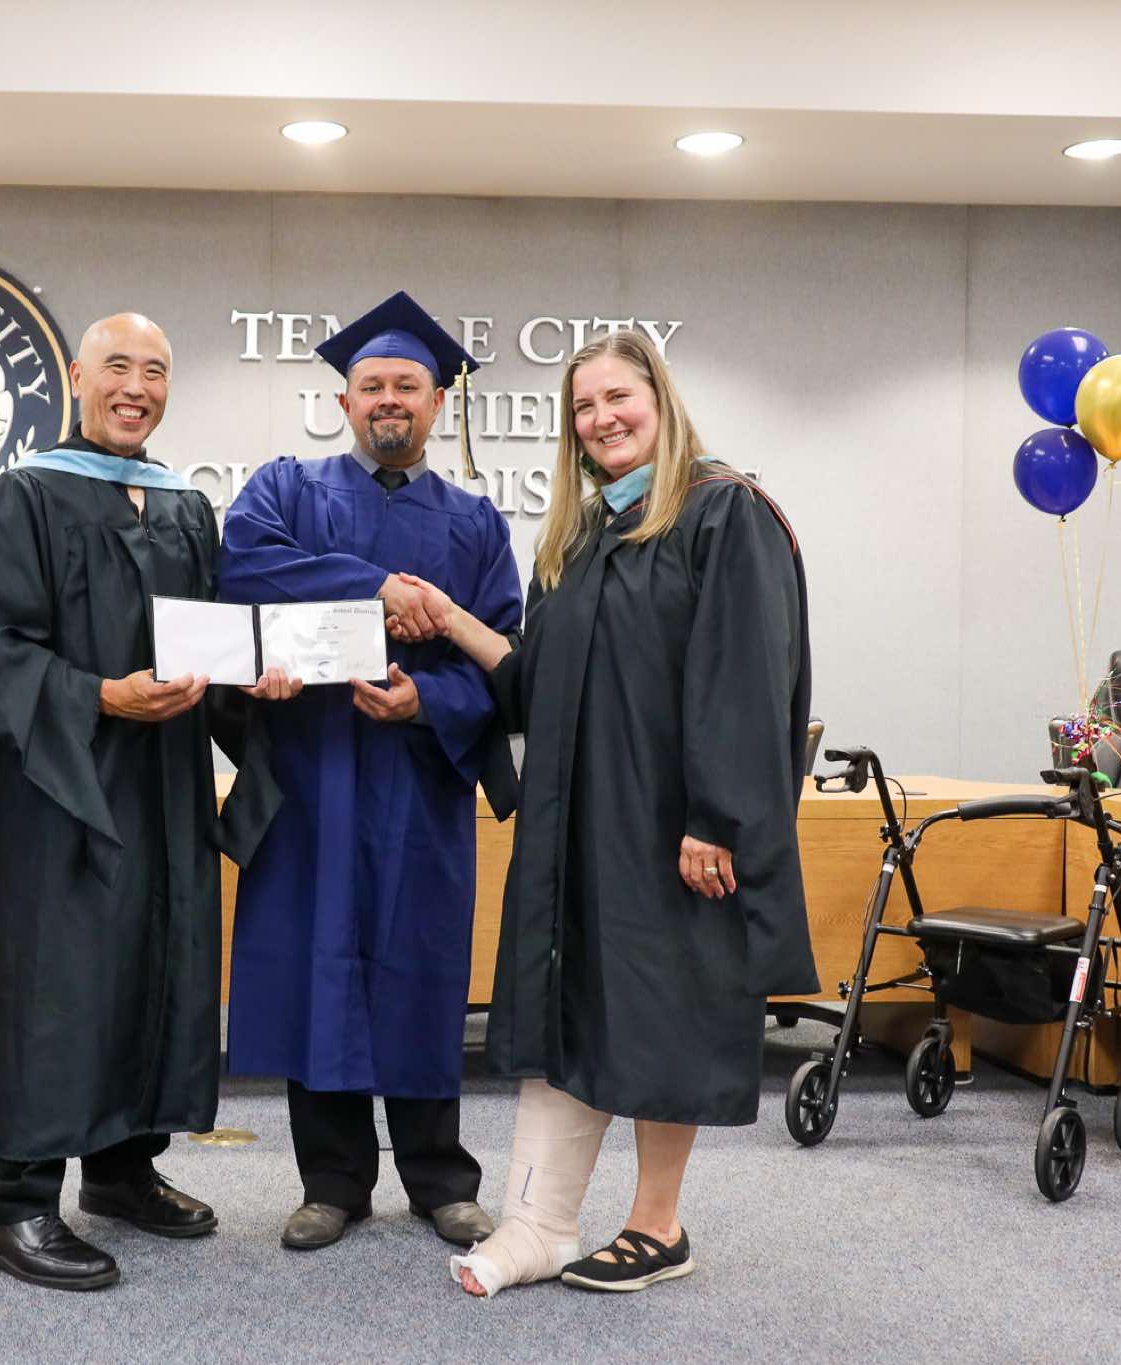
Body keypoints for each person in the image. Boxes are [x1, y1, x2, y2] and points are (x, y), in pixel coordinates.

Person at [420, 330, 817, 1296]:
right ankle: (542, 1222)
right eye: (583, 407)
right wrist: (452, 619)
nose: (601, 419)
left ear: (661, 398)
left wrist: (716, 816)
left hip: (671, 824)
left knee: (664, 1010)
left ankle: (657, 1225)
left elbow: (745, 677)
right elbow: (537, 684)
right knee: (576, 1004)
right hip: (582, 822)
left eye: (617, 397)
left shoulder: (723, 512)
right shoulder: (581, 537)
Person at [0, 312, 297, 1292]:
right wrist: (101, 695)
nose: (136, 387)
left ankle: (120, 1168)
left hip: (166, 783)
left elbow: (211, 643)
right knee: (61, 978)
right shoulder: (25, 494)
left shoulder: (185, 506)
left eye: (154, 370)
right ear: (77, 376)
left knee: (158, 958)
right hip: (65, 790)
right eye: (117, 365)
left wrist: (258, 679)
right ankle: (12, 1202)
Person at [215, 291, 521, 1252]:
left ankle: (441, 1178)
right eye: (373, 385)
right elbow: (243, 571)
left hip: (420, 784)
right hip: (312, 775)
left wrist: (427, 701)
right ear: (344, 401)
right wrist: (375, 588)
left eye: (408, 386)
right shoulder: (285, 492)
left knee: (422, 971)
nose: (390, 399)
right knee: (319, 969)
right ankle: (333, 1181)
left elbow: (505, 659)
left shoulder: (476, 523)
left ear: (436, 403)